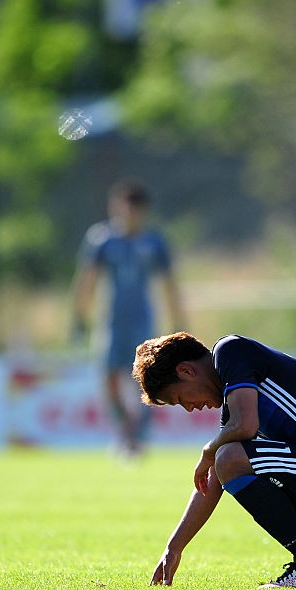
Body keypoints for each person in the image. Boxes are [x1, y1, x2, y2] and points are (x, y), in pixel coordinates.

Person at [133, 332, 296, 588]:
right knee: (238, 461)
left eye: (180, 399)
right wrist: (174, 547)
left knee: (230, 458)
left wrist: (208, 451)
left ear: (186, 371)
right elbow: (214, 476)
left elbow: (243, 430)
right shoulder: (233, 400)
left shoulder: (229, 350)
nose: (190, 408)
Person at [72, 178, 186, 456]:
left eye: (132, 209)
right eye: (120, 208)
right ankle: (126, 431)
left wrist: (179, 321)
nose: (126, 215)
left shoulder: (154, 242)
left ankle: (138, 437)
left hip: (144, 321)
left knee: (145, 379)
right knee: (109, 378)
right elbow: (87, 279)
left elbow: (170, 283)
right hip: (110, 321)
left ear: (141, 211)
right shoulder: (102, 239)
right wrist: (78, 317)